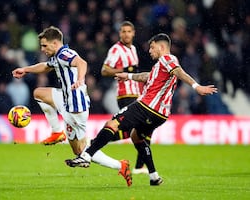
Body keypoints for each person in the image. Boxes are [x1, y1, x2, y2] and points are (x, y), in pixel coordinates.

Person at [65, 33, 218, 186]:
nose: (150, 51)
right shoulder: (161, 65)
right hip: (161, 115)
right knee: (136, 136)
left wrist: (196, 86)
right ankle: (154, 176)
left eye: (152, 47)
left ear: (162, 47)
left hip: (147, 106)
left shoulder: (168, 59)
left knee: (112, 124)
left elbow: (179, 72)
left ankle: (86, 156)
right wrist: (129, 76)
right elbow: (148, 76)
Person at [12, 26, 132, 187]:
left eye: (45, 45)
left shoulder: (64, 54)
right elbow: (46, 66)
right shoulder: (57, 55)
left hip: (76, 107)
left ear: (55, 43)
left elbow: (82, 62)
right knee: (39, 93)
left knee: (82, 151)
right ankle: (56, 132)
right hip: (66, 100)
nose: (42, 49)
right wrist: (26, 70)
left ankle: (121, 166)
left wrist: (81, 79)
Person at [101, 21, 147, 174]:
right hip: (125, 94)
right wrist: (124, 70)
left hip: (136, 93)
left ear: (133, 33)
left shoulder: (133, 49)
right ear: (120, 33)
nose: (126, 34)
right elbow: (104, 70)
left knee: (139, 129)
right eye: (123, 31)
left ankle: (140, 166)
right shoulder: (116, 49)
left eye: (129, 31)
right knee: (137, 129)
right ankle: (97, 141)